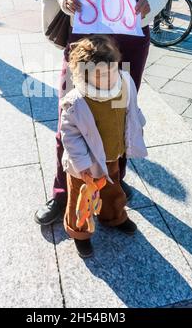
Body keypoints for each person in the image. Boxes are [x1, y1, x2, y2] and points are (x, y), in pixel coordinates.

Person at [34, 0, 171, 226]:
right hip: (86, 36)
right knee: (72, 109)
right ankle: (63, 192)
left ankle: (112, 186)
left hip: (130, 37)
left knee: (119, 113)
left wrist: (150, 3)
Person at [61, 35, 147, 258]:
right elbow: (70, 134)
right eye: (100, 75)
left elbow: (127, 111)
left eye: (111, 71)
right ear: (85, 74)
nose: (108, 78)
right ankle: (80, 233)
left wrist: (137, 125)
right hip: (85, 165)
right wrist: (81, 163)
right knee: (80, 200)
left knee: (112, 189)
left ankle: (114, 216)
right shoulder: (78, 100)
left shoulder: (122, 84)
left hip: (111, 155)